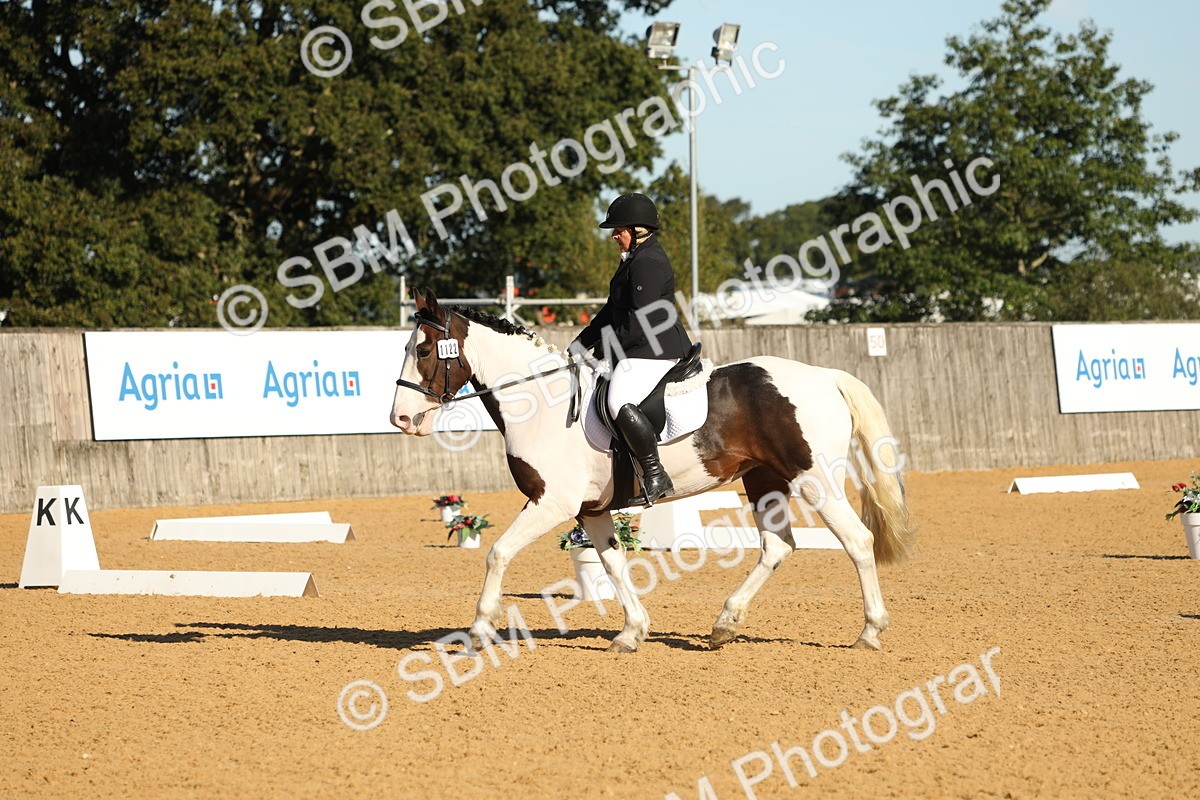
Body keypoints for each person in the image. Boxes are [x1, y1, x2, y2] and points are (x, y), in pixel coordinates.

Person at [570, 192, 692, 505]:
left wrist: (602, 349)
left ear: (638, 231)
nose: (613, 235)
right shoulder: (633, 261)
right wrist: (581, 343)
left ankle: (654, 474)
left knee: (618, 399)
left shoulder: (648, 262)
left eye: (619, 230)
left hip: (657, 349)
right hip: (640, 346)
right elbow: (611, 312)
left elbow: (641, 322)